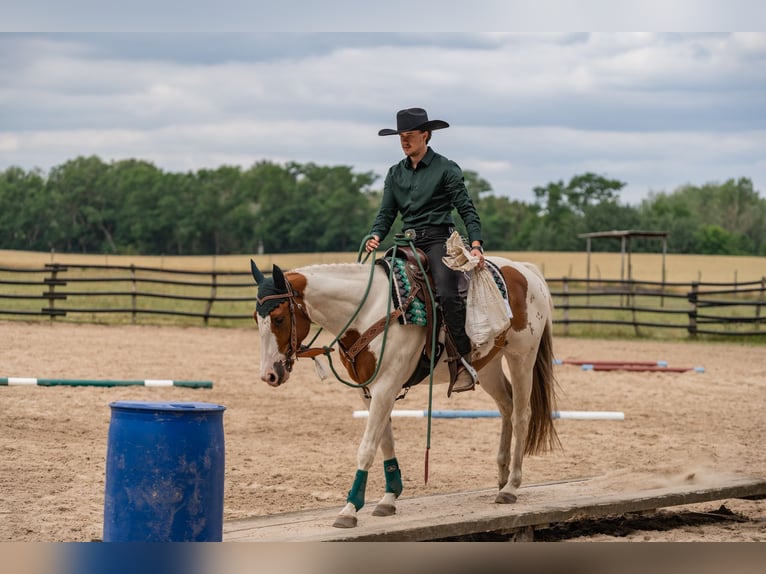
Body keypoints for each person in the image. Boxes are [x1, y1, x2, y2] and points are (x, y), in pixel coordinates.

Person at [365, 107, 485, 395]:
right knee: (379, 289)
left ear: (425, 135)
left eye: (409, 136)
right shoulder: (395, 173)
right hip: (404, 242)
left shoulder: (446, 168)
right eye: (401, 137)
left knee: (446, 293)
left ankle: (461, 361)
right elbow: (386, 212)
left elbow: (466, 209)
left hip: (438, 241)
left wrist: (477, 244)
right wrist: (375, 234)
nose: (404, 142)